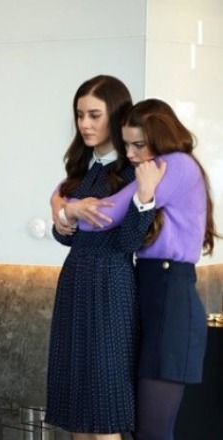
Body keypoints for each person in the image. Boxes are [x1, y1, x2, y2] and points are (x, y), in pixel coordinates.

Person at [67, 98, 219, 440]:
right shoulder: (160, 165)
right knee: (139, 429)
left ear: (160, 139)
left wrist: (68, 208)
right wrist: (62, 202)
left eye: (139, 145)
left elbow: (102, 216)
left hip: (170, 300)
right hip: (151, 293)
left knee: (152, 432)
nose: (131, 154)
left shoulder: (174, 164)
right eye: (126, 145)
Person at [45, 75, 156, 439]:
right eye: (80, 115)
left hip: (112, 285)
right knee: (77, 407)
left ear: (116, 115)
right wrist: (67, 213)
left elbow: (129, 242)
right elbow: (65, 237)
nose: (85, 124)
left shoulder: (132, 170)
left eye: (94, 115)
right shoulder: (81, 168)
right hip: (75, 281)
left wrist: (143, 198)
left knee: (106, 404)